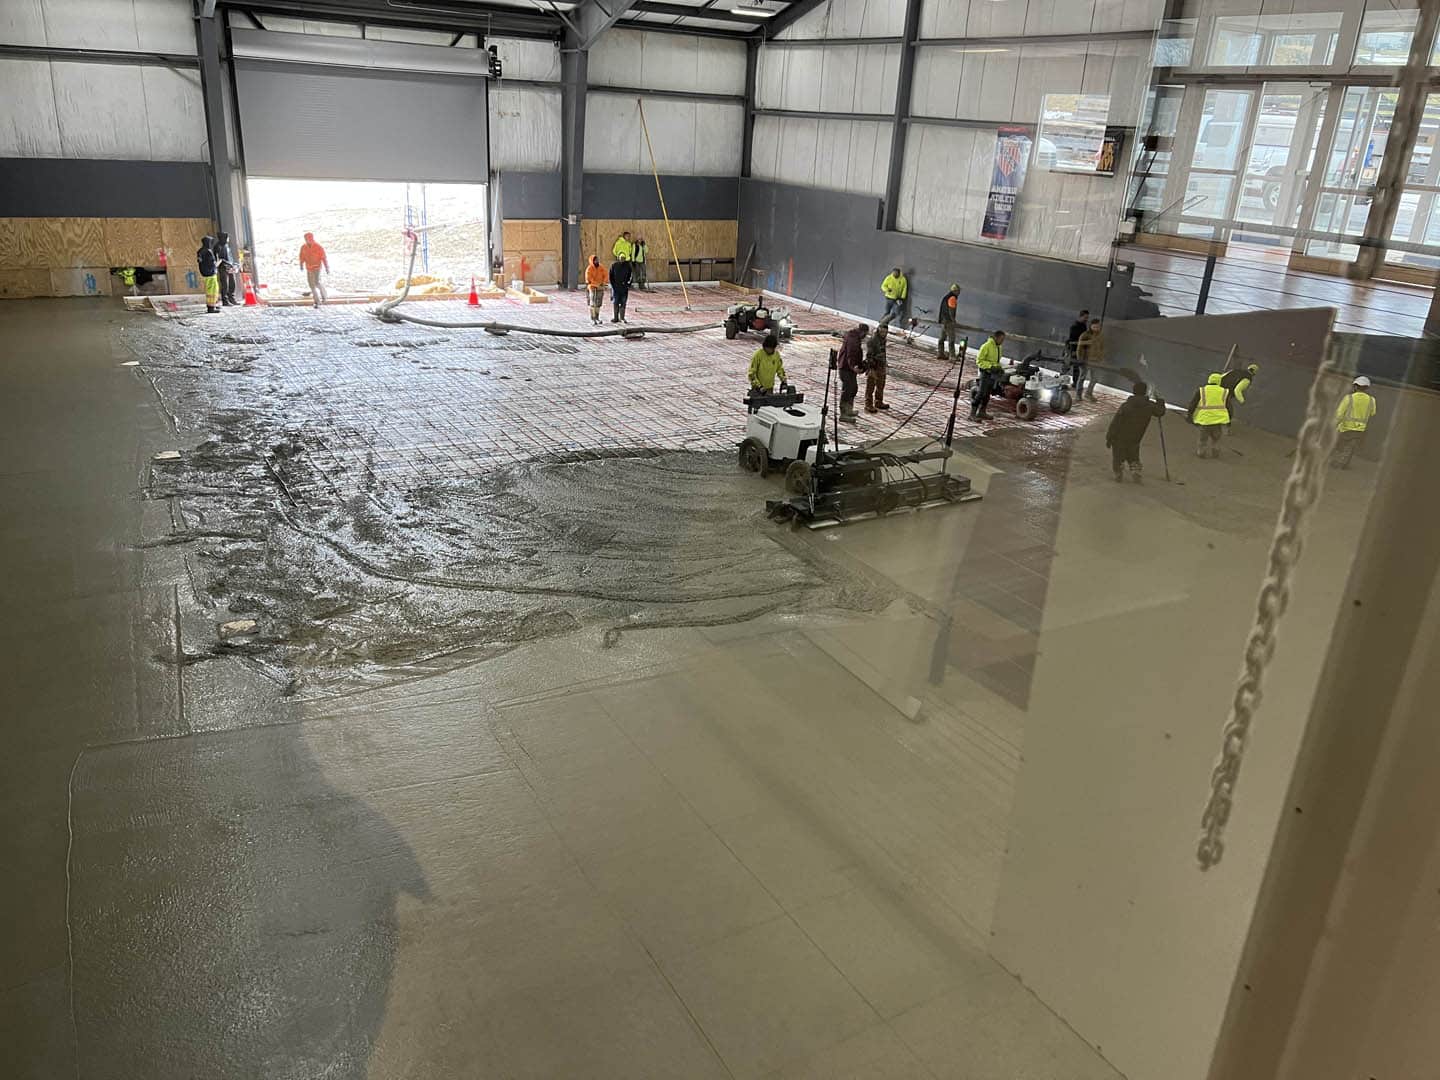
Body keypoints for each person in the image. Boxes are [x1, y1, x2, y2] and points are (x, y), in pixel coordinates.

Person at [1105, 381, 1167, 482]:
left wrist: (1109, 437)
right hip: (1137, 436)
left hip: (1120, 436)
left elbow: (1116, 423)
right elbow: (1160, 412)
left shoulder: (1126, 406)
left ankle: (1118, 471)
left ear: (1133, 391)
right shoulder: (1149, 406)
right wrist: (1160, 401)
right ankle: (1135, 470)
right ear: (1145, 392)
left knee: (1118, 455)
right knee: (1133, 453)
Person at [1332, 375, 1377, 469]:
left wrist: (1333, 425)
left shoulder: (1349, 398)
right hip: (1360, 430)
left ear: (1355, 386)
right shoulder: (1371, 400)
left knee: (1337, 445)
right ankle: (1343, 464)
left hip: (1345, 428)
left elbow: (1339, 414)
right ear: (1367, 387)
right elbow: (1372, 413)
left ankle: (1333, 461)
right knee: (1349, 448)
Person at [1187, 372, 1230, 458]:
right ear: (1219, 381)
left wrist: (1189, 415)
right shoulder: (1224, 392)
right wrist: (1229, 421)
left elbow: (1193, 404)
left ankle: (1201, 452)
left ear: (1209, 380)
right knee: (1216, 438)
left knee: (1203, 438)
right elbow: (1229, 407)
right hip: (1218, 420)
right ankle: (1215, 451)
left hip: (1204, 420)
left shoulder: (1201, 390)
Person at [836, 322, 867, 423]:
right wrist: (854, 367)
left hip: (848, 368)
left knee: (853, 388)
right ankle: (843, 413)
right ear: (863, 332)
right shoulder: (853, 340)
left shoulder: (854, 337)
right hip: (846, 368)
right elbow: (851, 355)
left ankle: (849, 409)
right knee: (847, 390)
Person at [971, 329, 1005, 420]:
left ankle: (982, 411)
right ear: (996, 338)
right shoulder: (986, 346)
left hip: (993, 374)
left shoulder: (999, 347)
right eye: (1001, 339)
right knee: (981, 393)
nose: (1002, 341)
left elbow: (996, 361)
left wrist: (999, 368)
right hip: (985, 372)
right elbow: (979, 361)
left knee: (987, 393)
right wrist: (990, 366)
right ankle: (972, 414)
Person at [1075, 318, 1104, 401]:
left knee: (1094, 379)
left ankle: (1088, 394)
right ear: (1090, 326)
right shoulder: (1085, 335)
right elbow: (1079, 348)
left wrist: (1100, 357)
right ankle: (1078, 395)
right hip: (1085, 361)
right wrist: (1080, 360)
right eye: (1094, 327)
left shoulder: (1100, 336)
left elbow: (1102, 348)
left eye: (1098, 327)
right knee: (1082, 378)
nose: (1096, 328)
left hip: (1096, 361)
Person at [865, 322, 890, 413]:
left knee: (881, 385)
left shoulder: (883, 340)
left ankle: (878, 402)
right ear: (878, 331)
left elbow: (883, 352)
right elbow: (869, 355)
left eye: (885, 332)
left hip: (881, 365)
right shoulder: (873, 341)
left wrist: (884, 361)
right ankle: (868, 404)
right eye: (882, 332)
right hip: (874, 366)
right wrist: (871, 368)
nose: (884, 334)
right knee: (870, 386)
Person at [298, 231, 329, 308]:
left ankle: (324, 296)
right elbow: (301, 257)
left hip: (317, 267)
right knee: (311, 285)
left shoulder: (318, 247)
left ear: (312, 238)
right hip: (309, 268)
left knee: (317, 282)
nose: (307, 240)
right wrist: (301, 265)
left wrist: (326, 267)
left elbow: (324, 258)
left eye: (308, 238)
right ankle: (317, 301)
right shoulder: (303, 247)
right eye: (306, 239)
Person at [1067, 309, 1090, 393]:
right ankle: (1062, 383)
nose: (1086, 319)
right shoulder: (1074, 326)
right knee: (1067, 365)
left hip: (1078, 349)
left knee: (1076, 367)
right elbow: (1072, 339)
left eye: (1087, 317)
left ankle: (1075, 383)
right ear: (1081, 316)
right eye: (1085, 317)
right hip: (1073, 348)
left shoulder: (1083, 326)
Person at [196, 236, 220, 314]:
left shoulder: (200, 251)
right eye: (211, 242)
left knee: (209, 289)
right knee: (213, 290)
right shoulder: (208, 251)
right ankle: (211, 307)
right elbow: (212, 263)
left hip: (205, 274)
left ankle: (212, 305)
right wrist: (217, 264)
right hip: (211, 273)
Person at [936, 283, 961, 360]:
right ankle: (952, 356)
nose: (959, 293)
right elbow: (951, 311)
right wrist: (953, 321)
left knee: (942, 338)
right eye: (958, 291)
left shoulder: (946, 297)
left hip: (943, 320)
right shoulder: (952, 298)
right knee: (951, 339)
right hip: (948, 321)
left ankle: (940, 353)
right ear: (955, 291)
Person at [215, 231, 238, 306]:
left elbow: (230, 256)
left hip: (230, 267)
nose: (228, 239)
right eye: (227, 237)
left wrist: (233, 264)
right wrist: (228, 263)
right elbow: (219, 258)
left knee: (232, 283)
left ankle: (232, 298)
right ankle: (225, 300)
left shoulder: (227, 245)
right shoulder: (218, 246)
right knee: (225, 284)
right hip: (223, 268)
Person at [584, 254, 608, 325]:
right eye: (595, 260)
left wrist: (603, 283)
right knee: (592, 303)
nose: (596, 261)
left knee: (598, 303)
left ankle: (597, 317)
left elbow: (606, 275)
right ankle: (593, 318)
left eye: (597, 260)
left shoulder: (601, 267)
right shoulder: (589, 269)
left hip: (600, 287)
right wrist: (596, 285)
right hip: (592, 288)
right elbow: (589, 279)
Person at [608, 257, 632, 323]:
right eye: (621, 258)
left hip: (624, 289)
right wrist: (613, 285)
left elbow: (630, 276)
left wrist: (628, 285)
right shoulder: (614, 265)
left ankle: (622, 317)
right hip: (616, 288)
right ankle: (615, 318)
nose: (622, 259)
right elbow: (610, 276)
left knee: (623, 303)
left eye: (623, 258)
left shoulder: (628, 266)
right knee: (615, 302)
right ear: (618, 258)